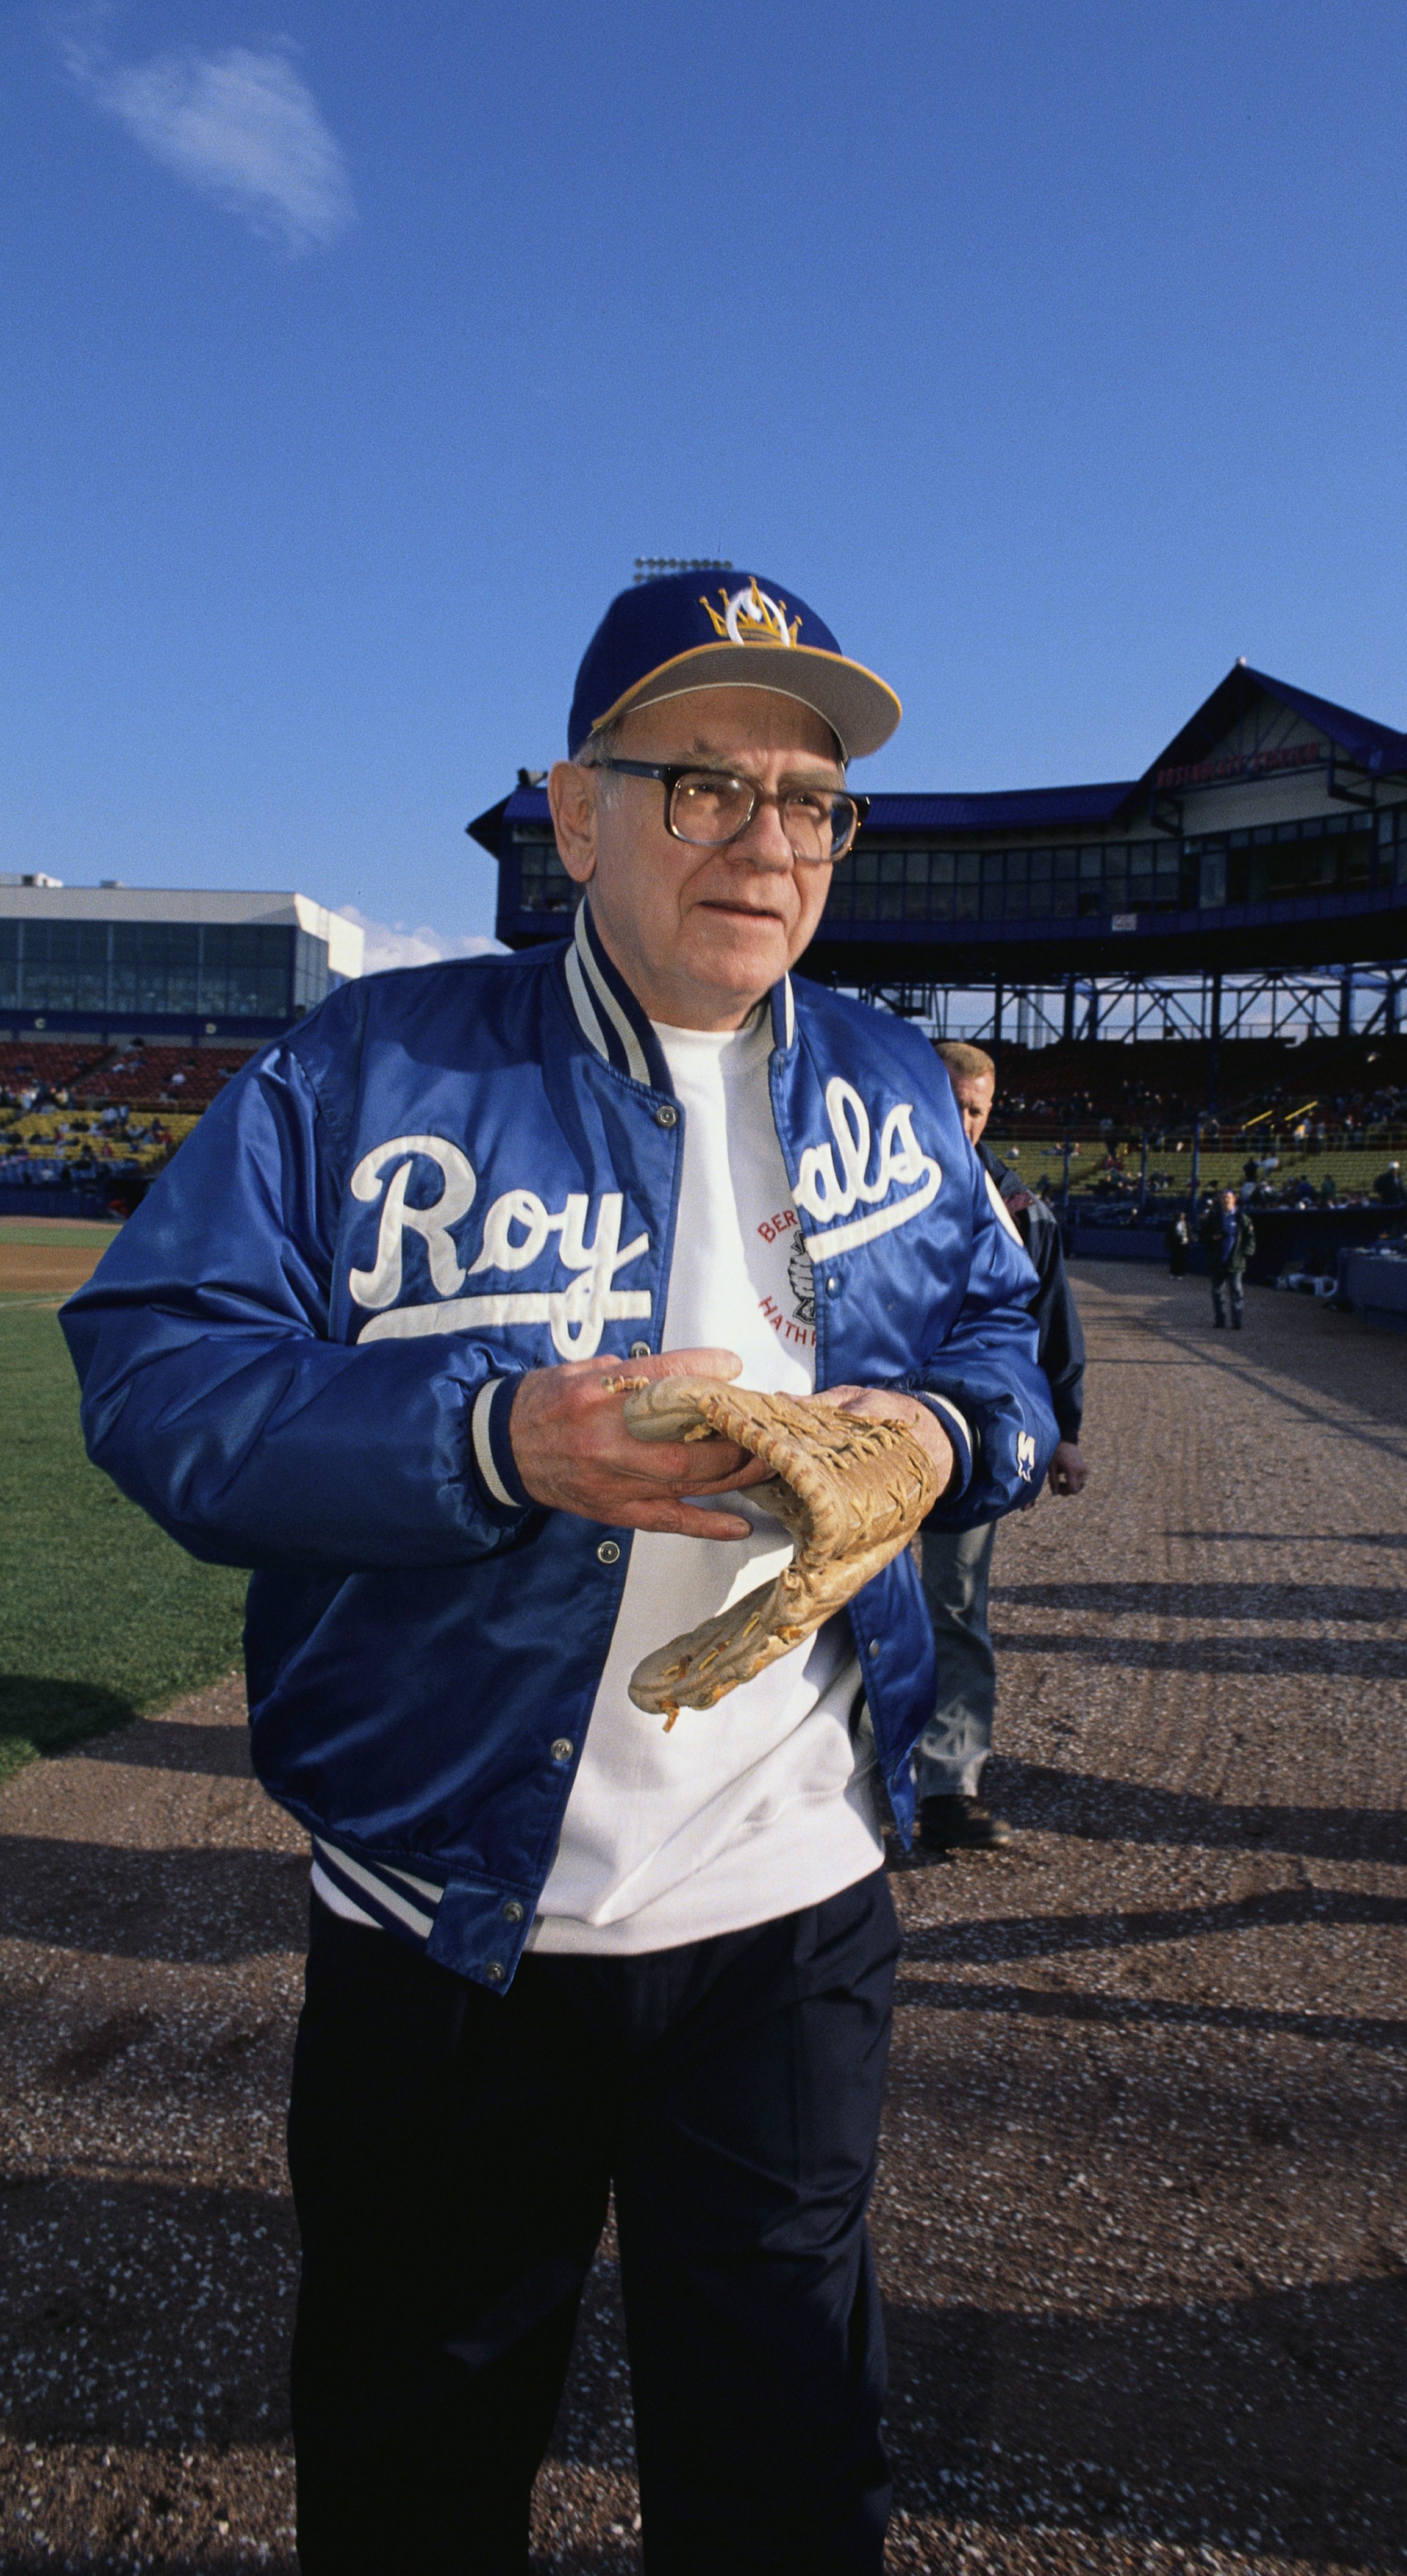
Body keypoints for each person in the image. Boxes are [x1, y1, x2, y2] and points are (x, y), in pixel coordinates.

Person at [62, 567, 1054, 2575]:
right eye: (701, 786)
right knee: (417, 2454)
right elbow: (156, 1373)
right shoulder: (366, 1073)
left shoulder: (880, 1080)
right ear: (575, 809)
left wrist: (936, 1450)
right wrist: (496, 1439)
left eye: (809, 800)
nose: (767, 845)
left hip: (791, 1911)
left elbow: (1003, 1349)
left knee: (788, 2462)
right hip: (446, 1923)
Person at [912, 1042, 1087, 1849]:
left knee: (954, 1604)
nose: (964, 1121)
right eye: (951, 1102)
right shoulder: (857, 1190)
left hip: (973, 1438)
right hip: (865, 1428)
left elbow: (1049, 1326)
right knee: (841, 1600)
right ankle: (833, 1776)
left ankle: (950, 1783)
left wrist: (1068, 1432)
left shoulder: (1021, 1209)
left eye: (976, 1109)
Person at [1208, 1186, 1254, 1328]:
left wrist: (1246, 1252)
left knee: (1236, 1291)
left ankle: (1237, 1321)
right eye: (1223, 1198)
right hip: (1218, 1261)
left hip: (1235, 1261)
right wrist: (1212, 1238)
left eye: (1228, 1198)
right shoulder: (1214, 1218)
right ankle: (1220, 1320)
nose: (1226, 1201)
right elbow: (1203, 1235)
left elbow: (1250, 1237)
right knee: (1217, 1292)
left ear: (1234, 1200)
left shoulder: (1242, 1218)